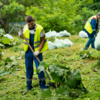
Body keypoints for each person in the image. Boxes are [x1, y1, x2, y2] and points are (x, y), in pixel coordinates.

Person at [18, 15, 48, 93]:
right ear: (26, 23)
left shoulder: (40, 28)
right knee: (28, 68)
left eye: (31, 23)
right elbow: (25, 38)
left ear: (34, 21)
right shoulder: (25, 27)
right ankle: (29, 86)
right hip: (28, 51)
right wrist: (21, 35)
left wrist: (38, 51)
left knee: (40, 68)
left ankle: (43, 86)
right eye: (29, 24)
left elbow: (43, 40)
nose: (30, 25)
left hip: (37, 51)